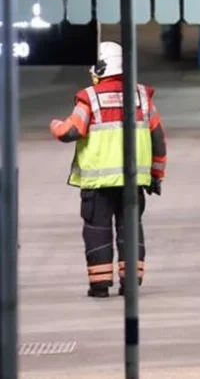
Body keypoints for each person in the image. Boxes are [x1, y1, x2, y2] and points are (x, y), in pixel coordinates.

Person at [49, 41, 167, 298]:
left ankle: (100, 285)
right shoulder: (142, 98)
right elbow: (158, 138)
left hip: (98, 186)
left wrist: (55, 125)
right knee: (130, 228)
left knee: (97, 230)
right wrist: (156, 175)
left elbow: (71, 131)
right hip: (133, 181)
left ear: (101, 67)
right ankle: (131, 283)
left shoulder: (89, 99)